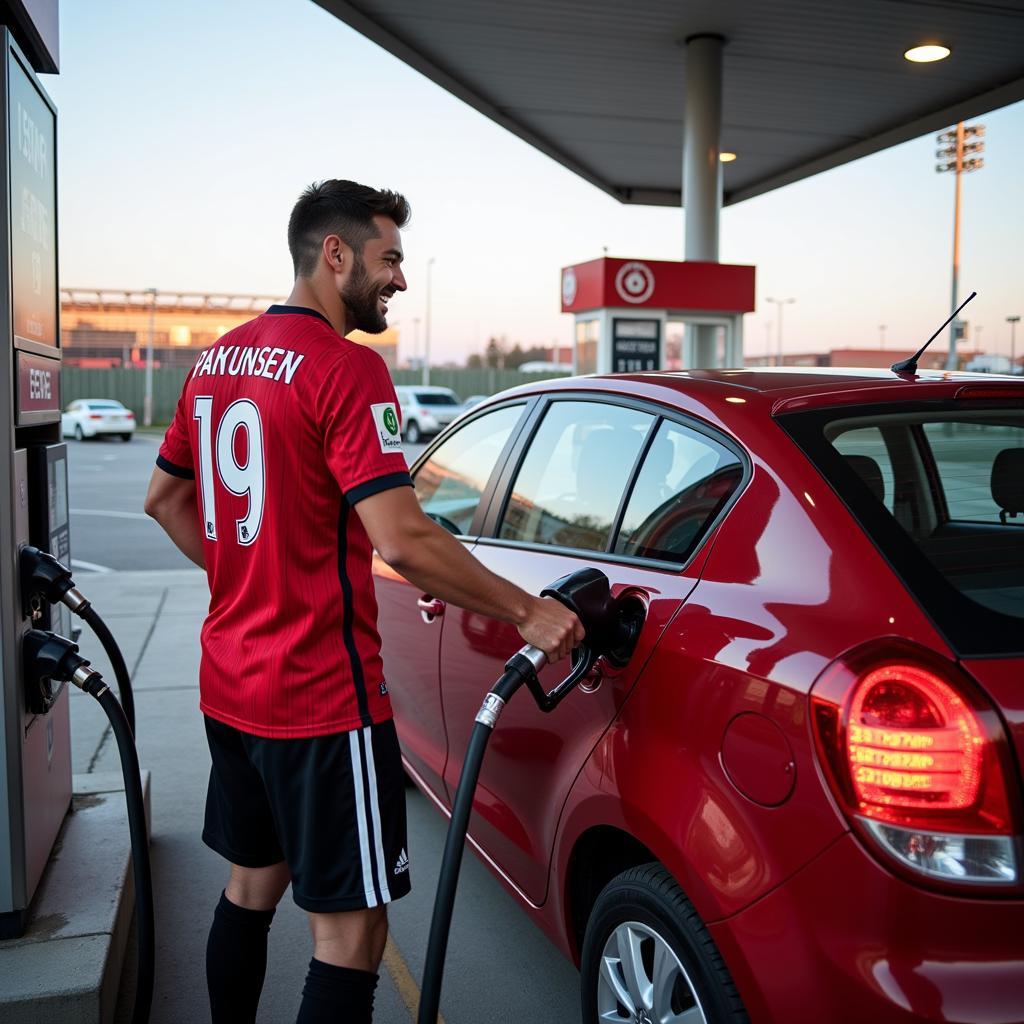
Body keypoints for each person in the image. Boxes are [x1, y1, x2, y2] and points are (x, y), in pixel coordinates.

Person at [144, 179, 583, 1023]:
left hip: (229, 687)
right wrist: (529, 611)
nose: (400, 282)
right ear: (334, 254)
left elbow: (165, 501)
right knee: (351, 939)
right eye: (390, 260)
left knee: (249, 886)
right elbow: (404, 539)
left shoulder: (217, 359)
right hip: (319, 702)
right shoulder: (345, 368)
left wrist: (247, 577)